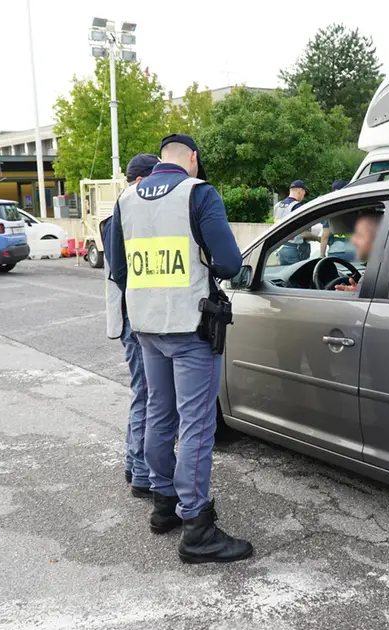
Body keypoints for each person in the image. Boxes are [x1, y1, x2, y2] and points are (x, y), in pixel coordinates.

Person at [108, 133, 253, 564]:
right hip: (190, 329)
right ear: (193, 158)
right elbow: (230, 263)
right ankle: (197, 527)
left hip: (146, 326)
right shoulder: (198, 193)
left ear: (160, 161)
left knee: (159, 413)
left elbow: (119, 269)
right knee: (197, 425)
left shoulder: (126, 199)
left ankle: (164, 503)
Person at [101, 153, 160, 499]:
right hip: (136, 320)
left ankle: (133, 462)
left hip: (133, 318)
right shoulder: (124, 217)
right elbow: (126, 276)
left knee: (145, 393)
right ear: (140, 181)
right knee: (148, 395)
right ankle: (140, 471)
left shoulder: (121, 216)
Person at [335, 211, 382, 292]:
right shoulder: (381, 270)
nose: (353, 240)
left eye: (359, 235)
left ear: (378, 239)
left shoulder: (381, 275)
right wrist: (356, 291)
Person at [274, 180, 310, 265]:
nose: (303, 197)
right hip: (294, 249)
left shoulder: (277, 206)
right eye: (304, 194)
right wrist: (318, 238)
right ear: (300, 191)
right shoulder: (297, 207)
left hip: (281, 249)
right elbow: (304, 234)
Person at [320, 180, 353, 260]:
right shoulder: (355, 206)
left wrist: (322, 255)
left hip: (337, 250)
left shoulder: (331, 210)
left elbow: (325, 236)